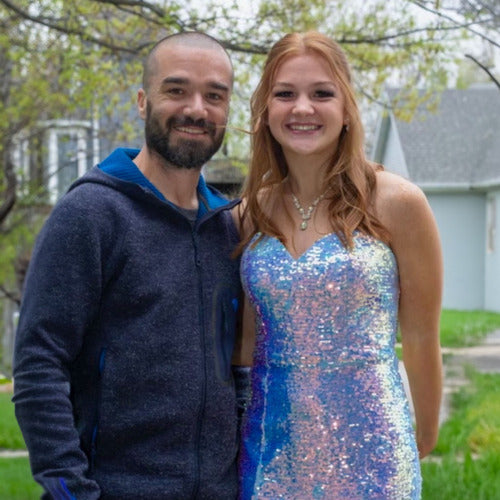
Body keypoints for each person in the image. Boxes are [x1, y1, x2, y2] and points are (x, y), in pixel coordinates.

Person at [13, 32, 243, 500]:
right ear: (142, 101)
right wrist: (71, 491)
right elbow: (39, 365)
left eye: (214, 96)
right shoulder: (91, 214)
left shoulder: (228, 230)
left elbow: (234, 366)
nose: (196, 109)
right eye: (176, 90)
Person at [232, 31, 443, 499]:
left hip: (374, 457)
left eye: (322, 93)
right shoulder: (249, 213)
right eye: (285, 94)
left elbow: (422, 336)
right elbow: (245, 346)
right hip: (271, 456)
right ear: (265, 110)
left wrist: (423, 436)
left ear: (347, 108)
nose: (302, 108)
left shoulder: (399, 203)